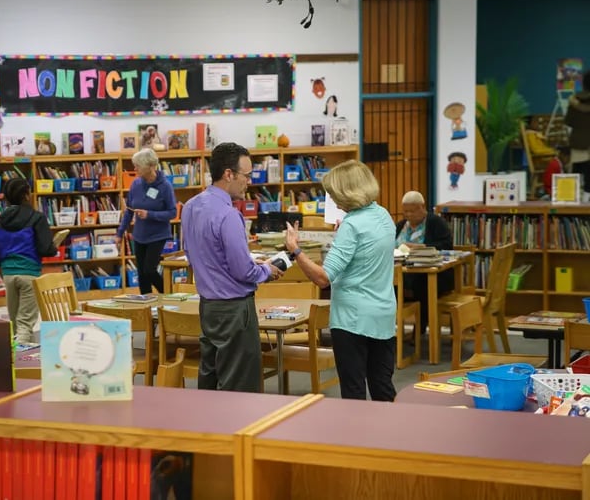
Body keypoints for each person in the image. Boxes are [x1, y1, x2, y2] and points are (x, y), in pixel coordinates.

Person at [284, 160, 396, 401]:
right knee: (382, 386)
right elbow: (366, 253)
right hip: (383, 315)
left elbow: (323, 278)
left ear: (349, 192)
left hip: (352, 319)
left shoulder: (352, 225)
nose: (333, 201)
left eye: (334, 194)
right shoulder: (383, 215)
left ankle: (355, 438)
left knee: (353, 391)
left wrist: (295, 250)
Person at [181, 142, 284, 393]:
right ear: (229, 174)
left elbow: (193, 254)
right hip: (235, 310)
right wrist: (267, 271)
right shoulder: (229, 215)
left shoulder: (191, 206)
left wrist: (248, 263)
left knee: (210, 378)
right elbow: (243, 272)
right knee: (240, 388)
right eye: (246, 175)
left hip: (208, 307)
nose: (249, 182)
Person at [0, 178, 57, 344]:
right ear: (26, 195)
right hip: (29, 274)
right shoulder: (37, 218)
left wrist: (4, 265)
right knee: (25, 323)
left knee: (15, 323)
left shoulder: (0, 220)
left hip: (8, 276)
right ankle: (19, 363)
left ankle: (21, 360)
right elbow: (46, 248)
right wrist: (54, 247)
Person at [116, 148, 177, 294]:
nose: (134, 168)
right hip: (139, 236)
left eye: (138, 165)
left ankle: (169, 294)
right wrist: (120, 233)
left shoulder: (165, 187)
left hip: (157, 236)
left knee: (149, 270)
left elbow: (172, 212)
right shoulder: (136, 184)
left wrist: (149, 214)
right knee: (142, 275)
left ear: (150, 166)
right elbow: (129, 212)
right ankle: (147, 307)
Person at [395, 190, 454, 334]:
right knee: (389, 284)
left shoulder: (435, 222)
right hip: (403, 271)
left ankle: (420, 328)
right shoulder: (401, 225)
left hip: (432, 274)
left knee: (422, 285)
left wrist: (423, 247)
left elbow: (447, 245)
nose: (408, 215)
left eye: (412, 211)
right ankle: (391, 327)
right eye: (405, 211)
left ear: (422, 207)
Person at [565, 71, 590, 202]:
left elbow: (568, 121)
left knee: (577, 171)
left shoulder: (575, 100)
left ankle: (574, 199)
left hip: (578, 141)